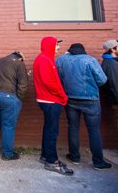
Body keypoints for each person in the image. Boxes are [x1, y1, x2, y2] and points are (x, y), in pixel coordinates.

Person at [56, 43, 111, 170]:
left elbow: (57, 79)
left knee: (73, 127)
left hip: (70, 99)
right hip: (90, 99)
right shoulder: (90, 60)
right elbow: (102, 80)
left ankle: (74, 156)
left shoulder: (60, 61)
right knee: (94, 130)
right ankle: (98, 162)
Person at [33, 36, 74, 175]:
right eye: (56, 45)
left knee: (49, 129)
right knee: (52, 132)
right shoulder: (45, 59)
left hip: (48, 100)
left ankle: (46, 156)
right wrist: (63, 96)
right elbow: (49, 82)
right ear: (49, 45)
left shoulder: (46, 58)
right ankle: (52, 161)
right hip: (50, 101)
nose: (58, 48)